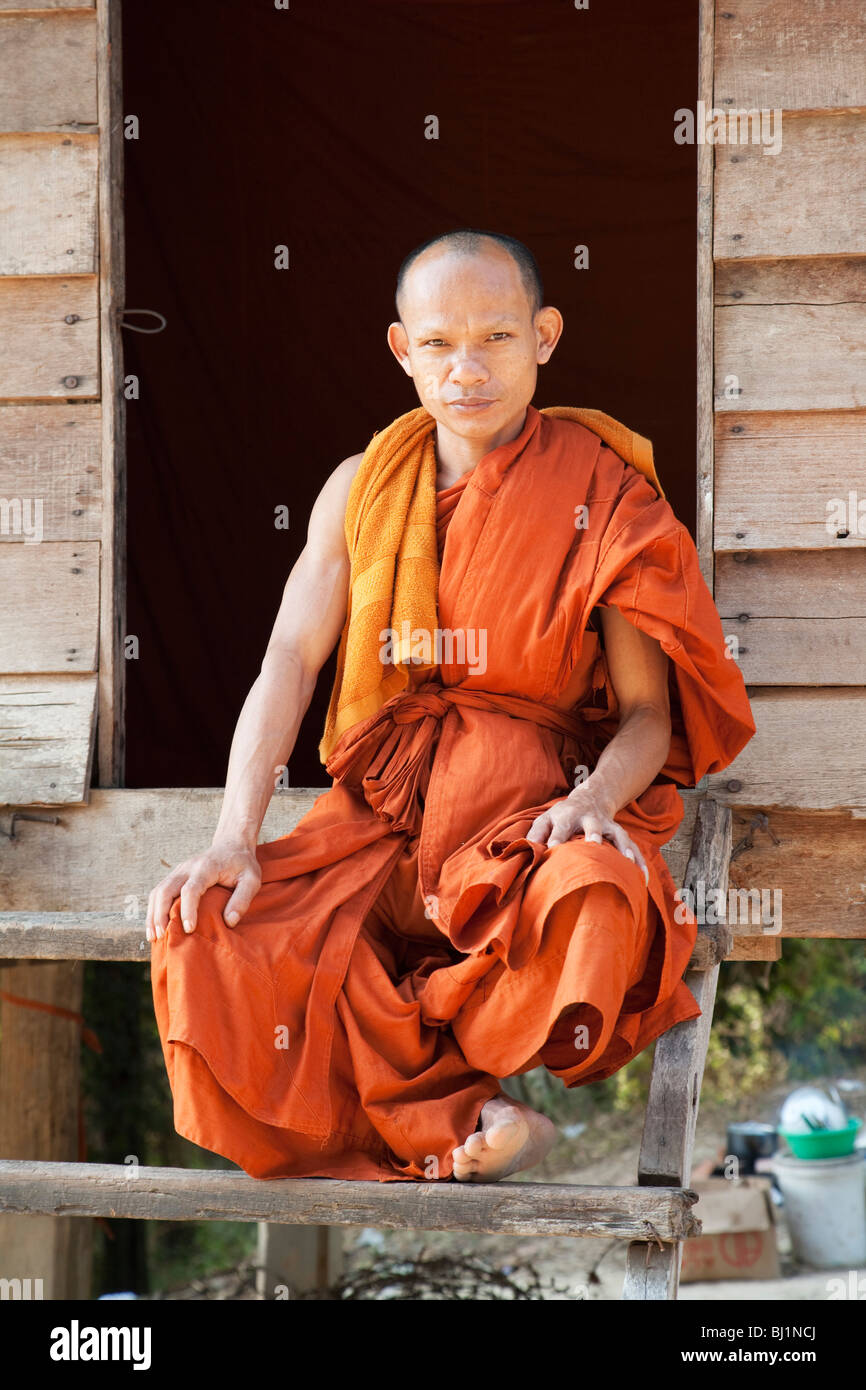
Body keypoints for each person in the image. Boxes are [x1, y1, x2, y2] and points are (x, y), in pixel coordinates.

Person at [147, 228, 755, 1184]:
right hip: (386, 820)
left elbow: (649, 717)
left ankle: (496, 1115)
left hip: (526, 826)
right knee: (211, 924)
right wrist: (233, 834)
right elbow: (288, 658)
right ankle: (481, 1121)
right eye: (438, 344)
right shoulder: (362, 490)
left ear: (545, 336)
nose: (467, 369)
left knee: (597, 889)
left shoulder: (606, 491)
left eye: (497, 338)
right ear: (402, 350)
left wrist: (594, 806)